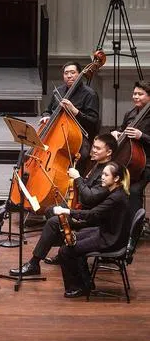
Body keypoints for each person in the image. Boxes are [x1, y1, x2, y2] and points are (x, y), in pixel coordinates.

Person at [9, 134, 117, 278]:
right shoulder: (97, 164)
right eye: (93, 147)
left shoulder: (109, 172)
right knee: (49, 210)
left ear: (109, 152)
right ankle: (65, 250)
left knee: (54, 221)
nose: (93, 150)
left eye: (98, 148)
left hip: (93, 217)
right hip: (83, 209)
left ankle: (34, 263)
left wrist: (77, 177)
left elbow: (90, 198)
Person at [54, 161, 131, 298]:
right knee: (75, 237)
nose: (102, 177)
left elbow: (93, 213)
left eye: (106, 175)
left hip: (111, 239)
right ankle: (86, 282)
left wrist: (66, 211)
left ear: (116, 179)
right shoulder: (116, 192)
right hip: (108, 232)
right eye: (102, 173)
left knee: (65, 251)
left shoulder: (115, 197)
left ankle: (79, 287)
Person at [41, 60, 101, 165]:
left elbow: (93, 122)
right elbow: (47, 110)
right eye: (66, 73)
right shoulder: (58, 91)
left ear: (79, 74)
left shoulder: (90, 94)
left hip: (79, 138)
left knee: (77, 156)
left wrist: (75, 111)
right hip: (57, 133)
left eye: (73, 72)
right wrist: (46, 116)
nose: (69, 76)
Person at [112, 80, 150, 209]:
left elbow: (143, 138)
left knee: (134, 191)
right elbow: (123, 131)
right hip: (130, 161)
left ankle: (136, 225)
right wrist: (117, 134)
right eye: (134, 94)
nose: (136, 97)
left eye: (140, 94)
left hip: (147, 163)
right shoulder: (130, 114)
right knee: (114, 188)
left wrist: (142, 136)